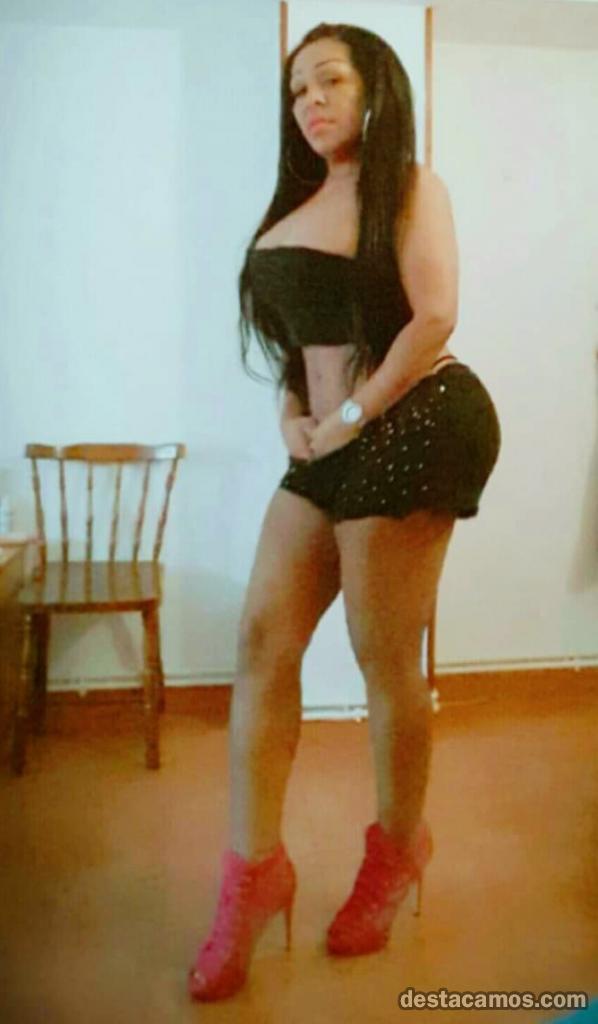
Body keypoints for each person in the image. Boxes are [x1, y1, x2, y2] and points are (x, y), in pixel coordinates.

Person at [188, 22, 502, 1002]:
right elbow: (299, 345)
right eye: (297, 91)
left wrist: (354, 414)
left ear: (375, 90)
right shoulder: (295, 204)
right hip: (324, 443)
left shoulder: (408, 187)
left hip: (416, 420)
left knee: (380, 652)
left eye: (330, 81)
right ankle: (253, 875)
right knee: (260, 638)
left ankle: (398, 850)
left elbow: (435, 315)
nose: (311, 101)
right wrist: (292, 414)